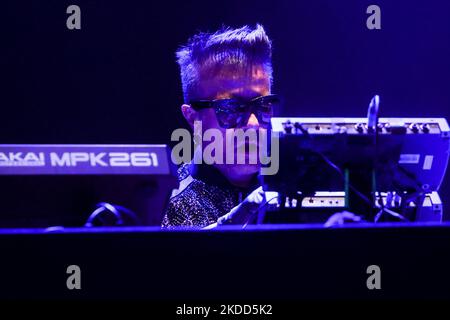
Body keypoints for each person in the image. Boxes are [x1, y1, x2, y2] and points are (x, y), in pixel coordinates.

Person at [161, 24, 360, 229]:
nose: (254, 124)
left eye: (263, 105)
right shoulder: (166, 204)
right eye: (231, 107)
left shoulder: (310, 192)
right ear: (193, 118)